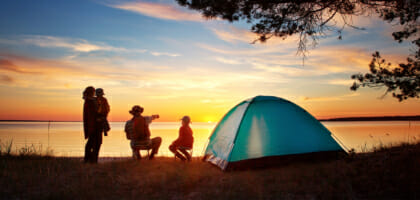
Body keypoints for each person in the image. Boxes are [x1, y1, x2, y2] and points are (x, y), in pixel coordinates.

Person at [83, 86, 102, 163]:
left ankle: (91, 159)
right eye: (93, 92)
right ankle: (91, 160)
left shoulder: (90, 100)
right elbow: (94, 112)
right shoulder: (90, 101)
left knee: (94, 142)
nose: (94, 93)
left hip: (93, 125)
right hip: (94, 125)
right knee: (95, 143)